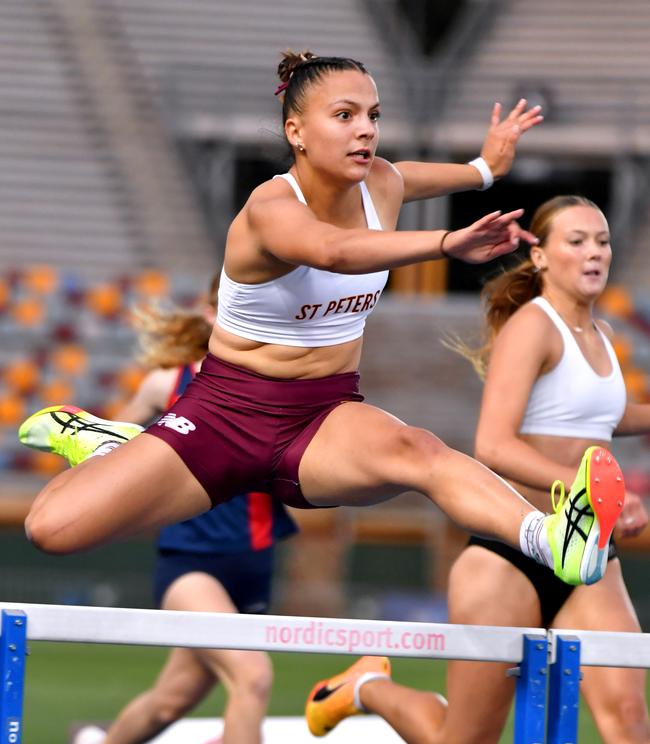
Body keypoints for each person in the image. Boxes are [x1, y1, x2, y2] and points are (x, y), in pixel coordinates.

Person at [19, 55, 623, 653]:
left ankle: (552, 538)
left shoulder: (382, 183)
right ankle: (108, 442)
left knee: (421, 451)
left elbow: (420, 174)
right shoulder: (269, 208)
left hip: (321, 415)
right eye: (344, 115)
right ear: (296, 133)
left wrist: (485, 169)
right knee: (51, 529)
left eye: (373, 115)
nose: (365, 129)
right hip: (223, 415)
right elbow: (333, 250)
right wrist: (444, 242)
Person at [306, 195, 650, 744]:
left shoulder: (602, 335)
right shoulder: (534, 327)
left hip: (585, 557)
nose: (594, 252)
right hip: (510, 552)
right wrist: (578, 493)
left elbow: (593, 420)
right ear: (540, 255)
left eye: (602, 241)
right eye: (576, 240)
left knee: (629, 723)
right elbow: (493, 443)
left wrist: (612, 473)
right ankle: (364, 686)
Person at [38, 282, 302, 744]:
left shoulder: (286, 379)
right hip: (191, 564)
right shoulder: (169, 382)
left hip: (253, 567)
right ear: (214, 313)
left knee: (169, 702)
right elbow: (106, 447)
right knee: (253, 675)